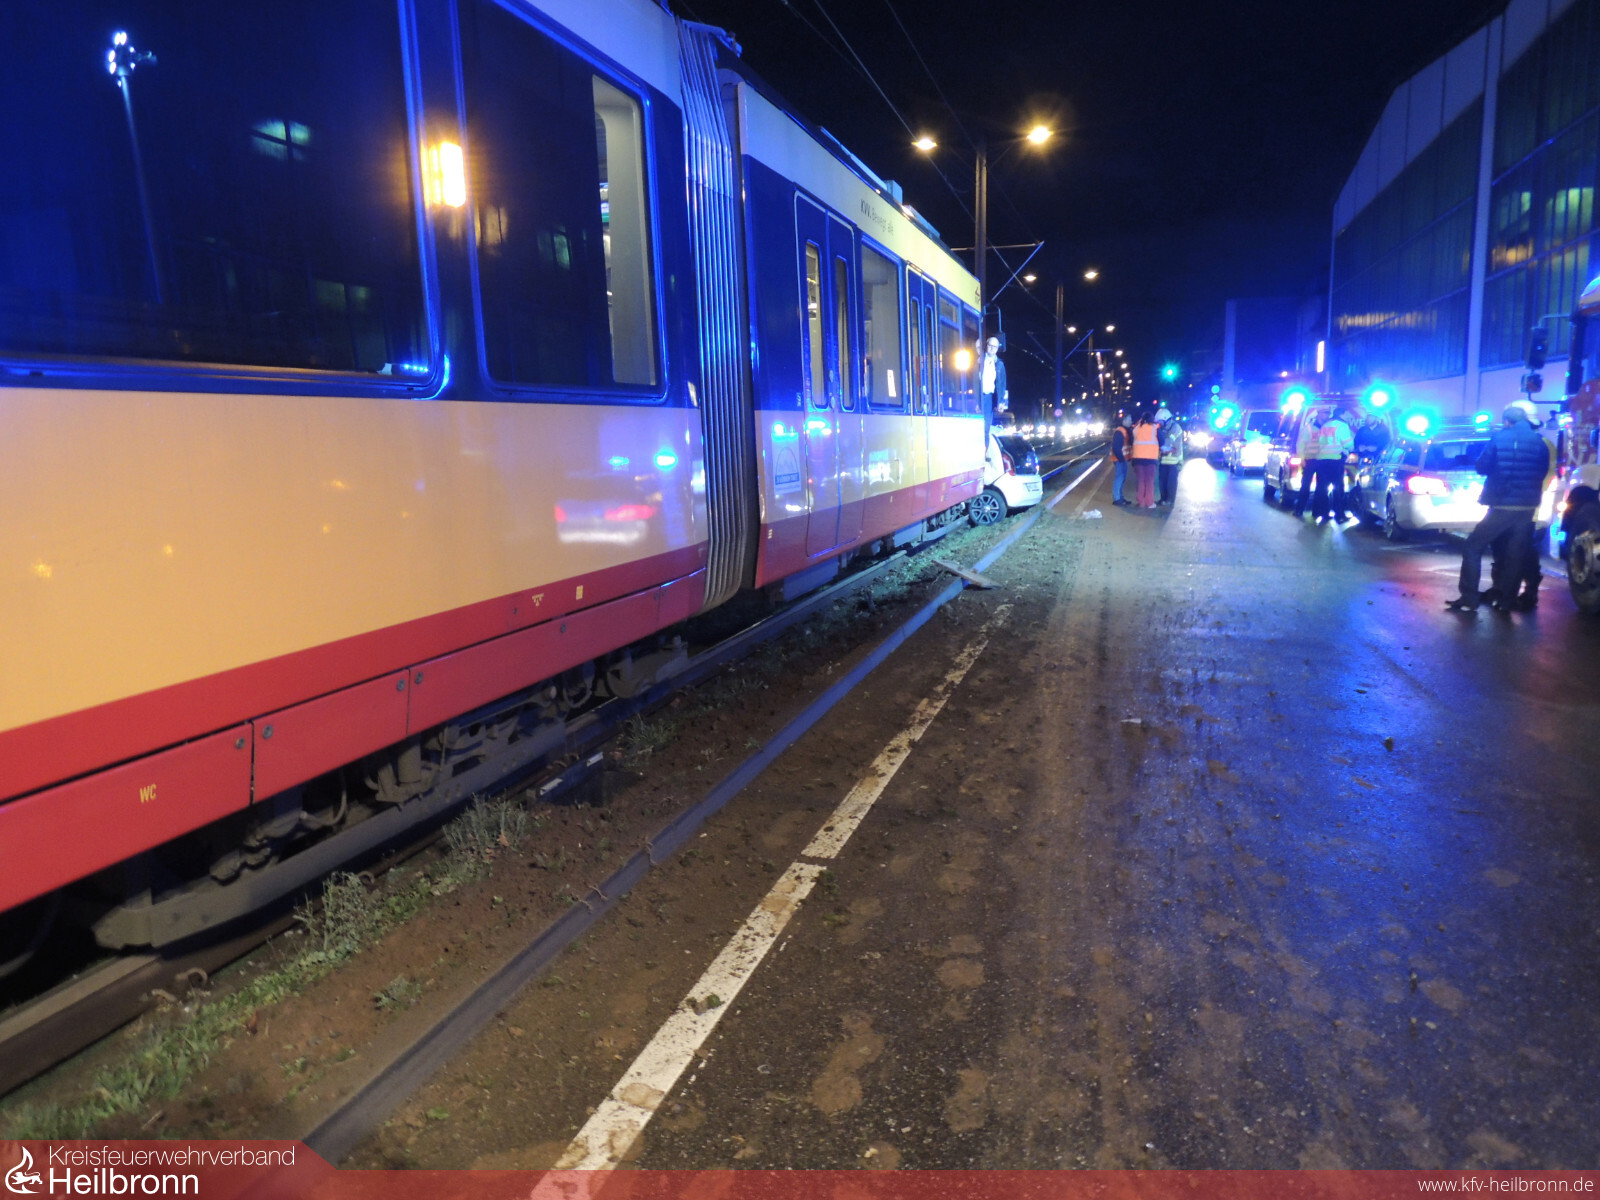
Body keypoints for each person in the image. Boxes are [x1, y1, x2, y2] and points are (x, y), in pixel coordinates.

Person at [1446, 403, 1550, 613]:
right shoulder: (1539, 442)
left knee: (1473, 546)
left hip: (1502, 504)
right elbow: (1543, 470)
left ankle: (1469, 599)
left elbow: (1482, 466)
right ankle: (1506, 602)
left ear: (1507, 421)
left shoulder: (1499, 438)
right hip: (1527, 506)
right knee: (1515, 555)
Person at [1486, 400, 1558, 611]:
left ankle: (1513, 592)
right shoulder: (1544, 443)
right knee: (1520, 550)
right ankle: (1514, 591)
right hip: (1530, 505)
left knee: (1517, 551)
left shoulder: (1534, 443)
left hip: (1521, 507)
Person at [1309, 407, 1355, 522]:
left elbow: (1320, 442)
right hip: (1335, 459)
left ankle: (1324, 513)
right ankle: (1339, 515)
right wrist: (1350, 449)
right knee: (1338, 488)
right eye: (1347, 414)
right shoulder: (1342, 426)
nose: (1348, 416)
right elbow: (1348, 444)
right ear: (1342, 414)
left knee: (1322, 487)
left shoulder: (1325, 425)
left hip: (1321, 459)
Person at [1290, 409, 1323, 517]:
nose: (1326, 416)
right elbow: (1301, 444)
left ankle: (1316, 512)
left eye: (1327, 414)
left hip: (1322, 460)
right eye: (1324, 414)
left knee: (1321, 488)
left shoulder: (1326, 428)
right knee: (1305, 486)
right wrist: (1302, 458)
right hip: (1309, 460)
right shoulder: (1308, 428)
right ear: (1318, 415)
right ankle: (1299, 510)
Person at [978, 336, 1008, 444]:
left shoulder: (1000, 365)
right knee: (976, 425)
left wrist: (1001, 402)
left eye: (995, 347)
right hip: (978, 396)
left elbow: (1002, 384)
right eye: (990, 345)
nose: (992, 348)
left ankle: (984, 449)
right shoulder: (979, 360)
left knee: (986, 427)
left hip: (989, 398)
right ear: (986, 345)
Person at [1130, 409, 1160, 509]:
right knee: (1149, 481)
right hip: (1150, 459)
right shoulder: (1155, 428)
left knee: (1141, 481)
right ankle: (1149, 502)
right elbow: (1162, 441)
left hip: (1137, 459)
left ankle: (1141, 502)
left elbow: (1132, 440)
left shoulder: (1136, 428)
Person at [1156, 407, 1184, 506]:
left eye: (1160, 422)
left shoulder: (1175, 428)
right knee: (1162, 482)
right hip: (1164, 460)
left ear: (1166, 419)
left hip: (1174, 461)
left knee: (1171, 483)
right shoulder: (1162, 429)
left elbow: (1168, 442)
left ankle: (1170, 500)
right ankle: (1163, 498)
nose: (1159, 424)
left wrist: (1159, 438)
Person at [1109, 414, 1133, 506]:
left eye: (1130, 419)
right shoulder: (1120, 431)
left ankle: (1120, 497)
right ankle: (1117, 498)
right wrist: (1122, 460)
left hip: (1123, 459)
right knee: (1119, 478)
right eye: (1128, 419)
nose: (1130, 421)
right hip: (1119, 459)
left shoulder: (1126, 430)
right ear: (1123, 421)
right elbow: (1116, 447)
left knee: (1122, 478)